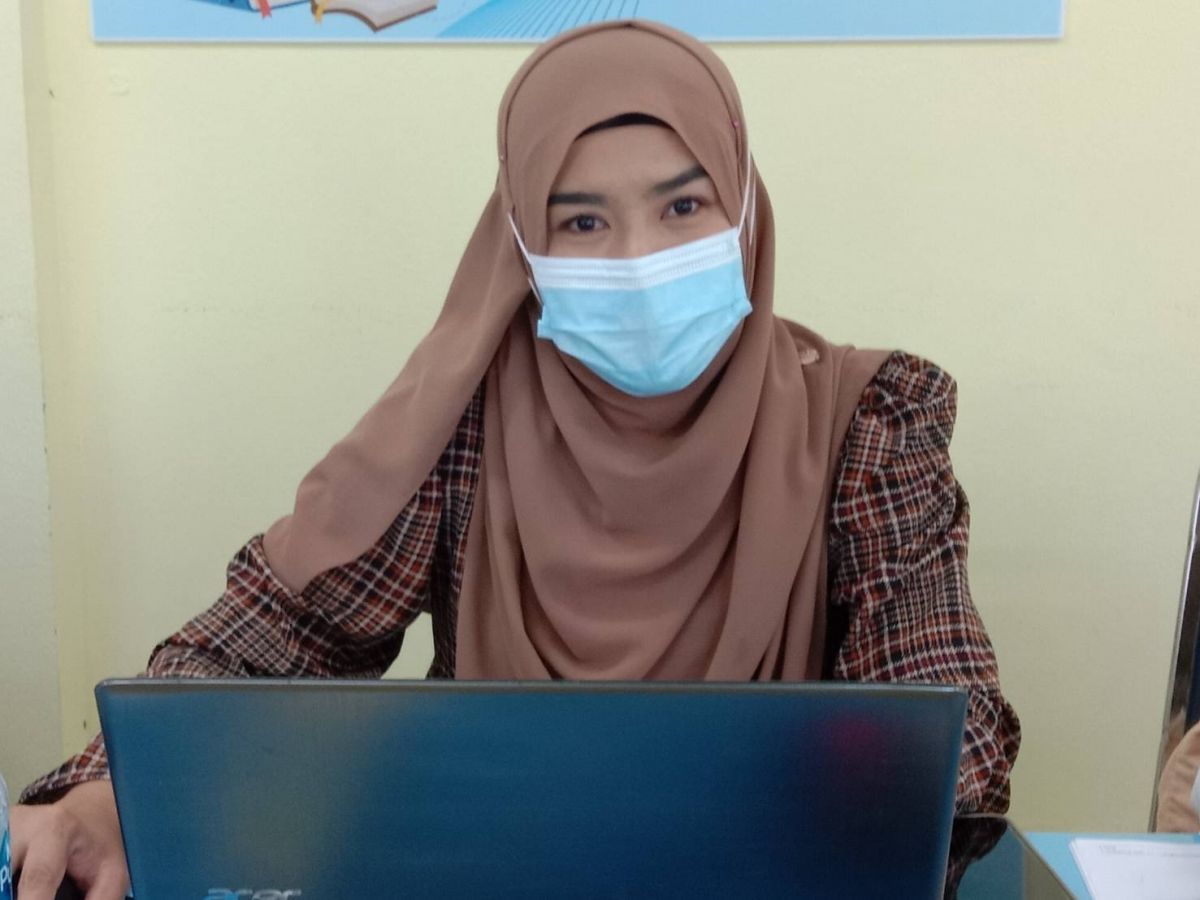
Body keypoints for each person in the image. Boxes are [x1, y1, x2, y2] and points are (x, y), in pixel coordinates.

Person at [11, 19, 1021, 899]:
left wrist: (830, 802)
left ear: (745, 211)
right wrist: (108, 790)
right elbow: (278, 634)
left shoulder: (866, 423)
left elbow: (948, 722)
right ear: (522, 250)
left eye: (683, 207)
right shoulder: (466, 423)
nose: (636, 259)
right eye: (580, 221)